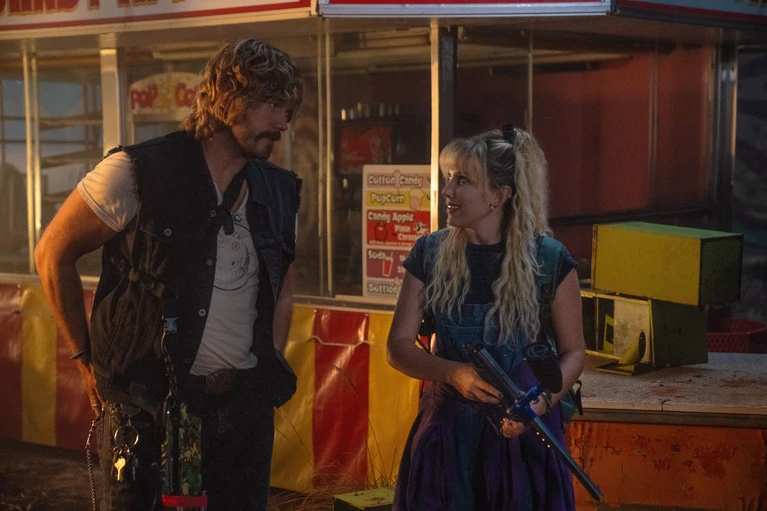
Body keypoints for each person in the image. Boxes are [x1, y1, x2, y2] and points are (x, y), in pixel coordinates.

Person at [34, 39, 303, 511]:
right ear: (228, 98)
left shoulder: (278, 190)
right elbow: (51, 253)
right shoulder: (136, 171)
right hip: (149, 412)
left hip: (243, 415)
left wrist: (268, 366)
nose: (283, 122)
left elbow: (283, 284)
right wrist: (84, 358)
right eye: (272, 105)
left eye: (288, 109)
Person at [387, 125, 585, 510]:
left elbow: (575, 352)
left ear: (499, 195)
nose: (447, 191)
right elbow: (397, 347)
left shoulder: (550, 260)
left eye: (462, 181)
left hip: (524, 441)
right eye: (448, 178)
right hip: (449, 442)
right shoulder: (428, 254)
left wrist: (540, 402)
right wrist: (452, 372)